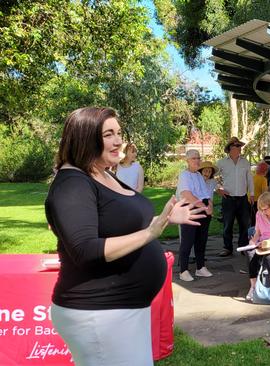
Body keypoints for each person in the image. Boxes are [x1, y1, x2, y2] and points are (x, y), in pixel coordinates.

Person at [45, 107, 204, 365]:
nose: (119, 141)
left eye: (119, 133)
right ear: (85, 137)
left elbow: (122, 228)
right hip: (99, 313)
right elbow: (85, 249)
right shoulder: (72, 183)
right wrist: (150, 232)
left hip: (122, 311)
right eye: (108, 134)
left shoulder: (102, 172)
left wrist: (163, 220)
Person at [176, 150, 215, 282]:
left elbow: (206, 194)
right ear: (187, 161)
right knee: (187, 241)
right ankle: (183, 270)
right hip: (190, 210)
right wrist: (203, 206)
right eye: (194, 158)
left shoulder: (199, 175)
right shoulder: (184, 175)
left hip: (202, 209)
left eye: (198, 158)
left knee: (201, 241)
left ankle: (200, 267)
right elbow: (187, 194)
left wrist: (210, 206)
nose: (197, 160)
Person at [216, 137, 254, 257]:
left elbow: (249, 179)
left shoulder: (245, 162)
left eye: (239, 146)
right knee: (228, 224)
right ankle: (227, 248)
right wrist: (218, 189)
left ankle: (243, 247)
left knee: (245, 224)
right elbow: (211, 175)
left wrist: (252, 194)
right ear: (230, 148)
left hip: (243, 198)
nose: (239, 148)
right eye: (236, 146)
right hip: (228, 198)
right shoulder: (221, 162)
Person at [252, 161, 269, 225]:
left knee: (252, 218)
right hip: (258, 201)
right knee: (258, 219)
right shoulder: (263, 179)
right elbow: (264, 193)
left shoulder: (252, 177)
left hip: (249, 200)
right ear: (265, 171)